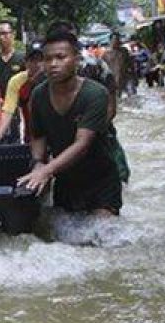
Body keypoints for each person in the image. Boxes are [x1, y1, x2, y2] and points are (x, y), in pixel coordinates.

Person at [17, 26, 123, 216]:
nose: (53, 64)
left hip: (99, 179)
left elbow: (82, 143)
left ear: (76, 59)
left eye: (60, 57)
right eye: (47, 59)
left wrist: (46, 170)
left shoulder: (95, 94)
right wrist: (37, 163)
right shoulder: (38, 94)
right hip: (65, 180)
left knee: (102, 236)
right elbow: (38, 135)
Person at [0, 41, 45, 146]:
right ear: (26, 63)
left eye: (41, 60)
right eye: (33, 60)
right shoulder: (17, 81)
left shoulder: (55, 79)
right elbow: (8, 111)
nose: (38, 64)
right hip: (32, 139)